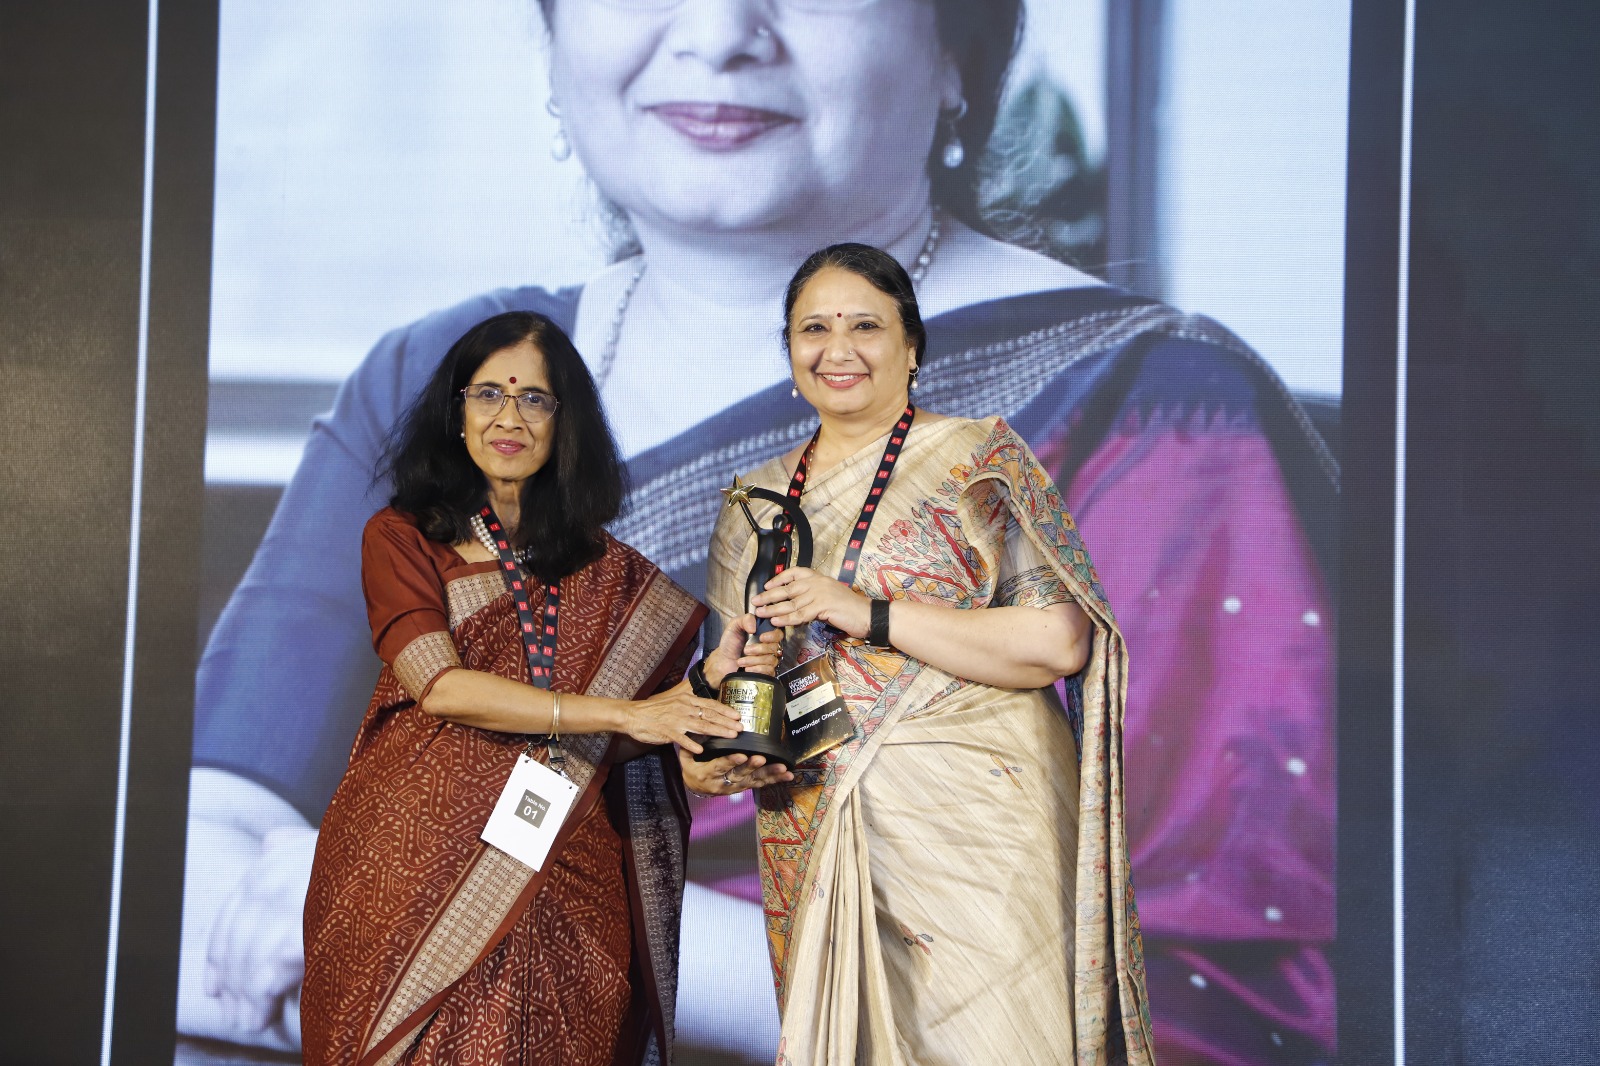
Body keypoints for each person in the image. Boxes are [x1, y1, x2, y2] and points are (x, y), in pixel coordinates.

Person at [187, 1, 1337, 1061]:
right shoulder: (435, 384)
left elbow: (1179, 1006)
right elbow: (188, 866)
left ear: (957, 46)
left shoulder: (1155, 419)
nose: (720, 29)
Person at [298, 310, 785, 1065]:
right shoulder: (403, 537)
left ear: (567, 424)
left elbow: (630, 739)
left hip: (571, 868)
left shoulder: (618, 577)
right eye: (487, 394)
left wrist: (707, 692)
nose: (509, 417)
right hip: (413, 860)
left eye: (535, 400)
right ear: (455, 412)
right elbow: (442, 687)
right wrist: (629, 711)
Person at [703, 242, 1150, 1062]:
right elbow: (736, 688)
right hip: (816, 821)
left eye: (865, 325)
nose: (838, 349)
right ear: (790, 352)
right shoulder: (753, 501)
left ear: (911, 346)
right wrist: (723, 714)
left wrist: (866, 612)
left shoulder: (979, 457)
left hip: (985, 823)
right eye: (814, 328)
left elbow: (1058, 639)